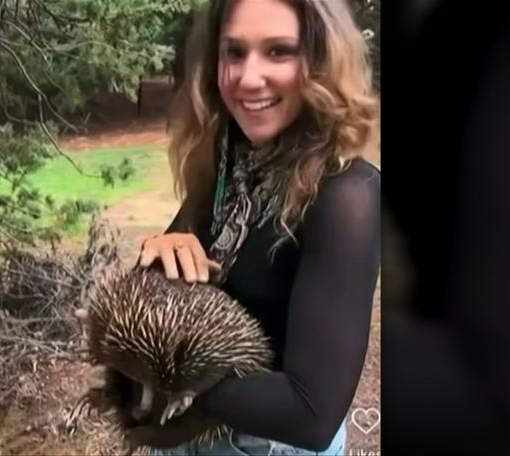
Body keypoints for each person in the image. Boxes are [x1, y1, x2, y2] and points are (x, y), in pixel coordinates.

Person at [130, 0, 381, 455]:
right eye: (235, 52)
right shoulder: (231, 162)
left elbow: (311, 414)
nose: (248, 77)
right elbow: (146, 300)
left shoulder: (346, 194)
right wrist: (159, 249)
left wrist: (169, 379)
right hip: (189, 436)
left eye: (279, 51)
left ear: (321, 62)